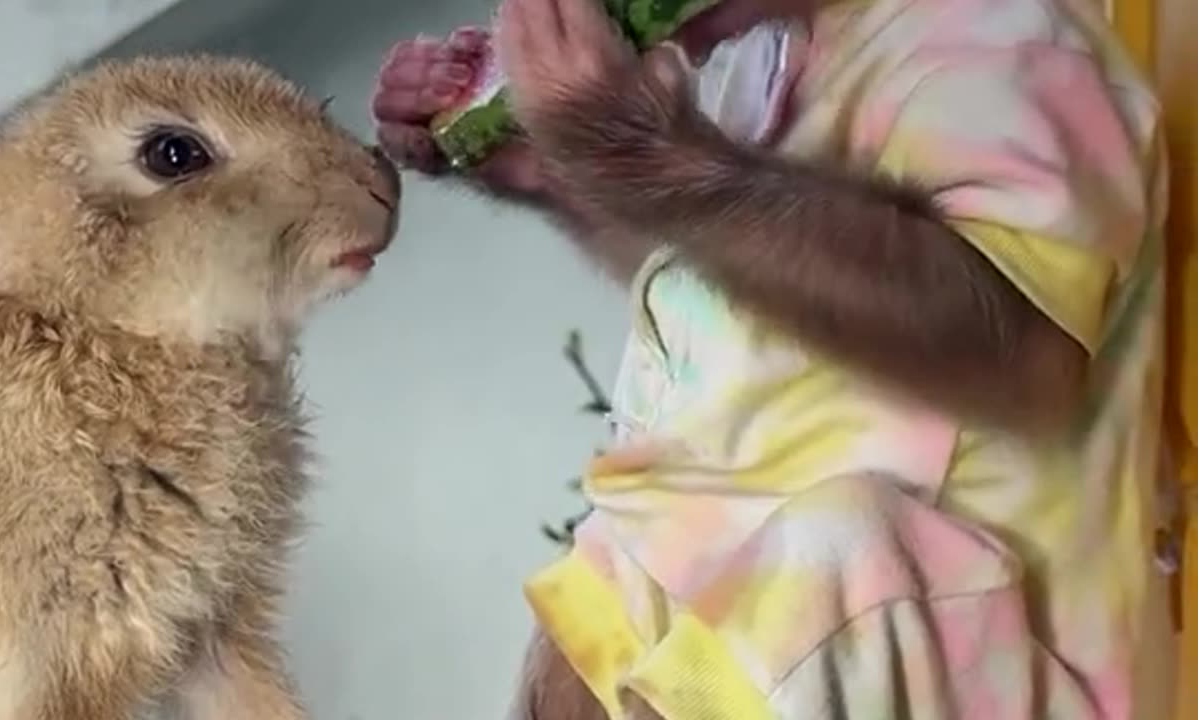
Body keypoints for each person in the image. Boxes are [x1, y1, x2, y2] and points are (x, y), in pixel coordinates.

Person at [371, 0, 1175, 716]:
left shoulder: (1003, 39)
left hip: (979, 666)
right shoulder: (766, 71)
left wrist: (639, 154)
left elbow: (1019, 359)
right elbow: (757, 312)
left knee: (832, 549)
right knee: (625, 563)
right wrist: (558, 175)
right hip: (772, 662)